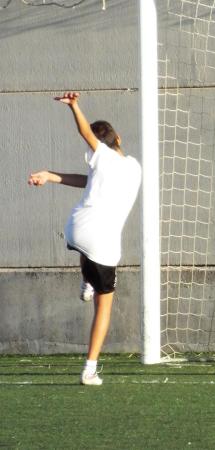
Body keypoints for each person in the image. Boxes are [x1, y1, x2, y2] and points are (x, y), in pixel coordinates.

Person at [28, 92, 142, 385]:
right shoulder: (133, 166)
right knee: (103, 308)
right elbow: (86, 132)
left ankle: (87, 279)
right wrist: (74, 106)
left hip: (75, 229)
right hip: (102, 245)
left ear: (95, 150)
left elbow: (87, 176)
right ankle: (90, 369)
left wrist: (51, 176)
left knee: (85, 248)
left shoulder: (101, 163)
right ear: (119, 139)